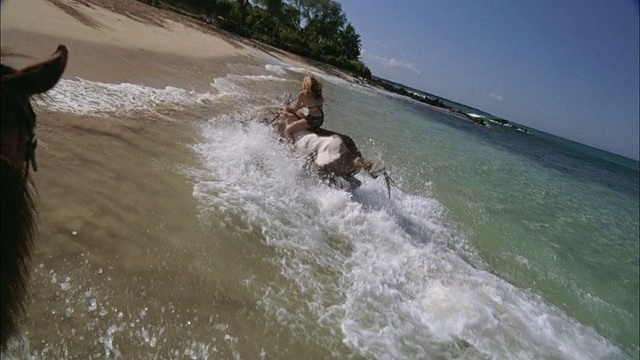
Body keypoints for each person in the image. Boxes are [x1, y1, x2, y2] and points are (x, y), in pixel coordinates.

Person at [283, 75, 324, 142]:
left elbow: (295, 109)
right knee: (301, 114)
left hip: (311, 120)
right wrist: (303, 105)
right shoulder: (318, 94)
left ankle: (291, 150)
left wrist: (288, 107)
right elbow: (314, 105)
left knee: (287, 130)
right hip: (320, 120)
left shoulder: (302, 94)